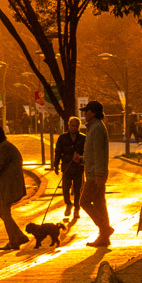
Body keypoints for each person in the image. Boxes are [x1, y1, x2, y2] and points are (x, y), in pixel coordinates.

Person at [80, 100, 113, 247]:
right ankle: (104, 238)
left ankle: (105, 229)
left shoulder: (97, 128)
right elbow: (93, 153)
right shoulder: (94, 128)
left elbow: (99, 153)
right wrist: (81, 159)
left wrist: (99, 175)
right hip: (94, 172)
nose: (84, 114)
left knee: (84, 201)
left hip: (95, 175)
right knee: (100, 204)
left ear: (93, 112)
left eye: (86, 111)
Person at [53, 116, 85, 219]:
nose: (74, 128)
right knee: (65, 188)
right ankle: (68, 204)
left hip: (78, 167)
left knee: (77, 188)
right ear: (69, 125)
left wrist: (82, 159)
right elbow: (58, 152)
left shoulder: (83, 138)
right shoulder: (62, 138)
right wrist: (56, 164)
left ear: (79, 127)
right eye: (72, 125)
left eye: (76, 126)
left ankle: (76, 208)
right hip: (66, 166)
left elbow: (87, 152)